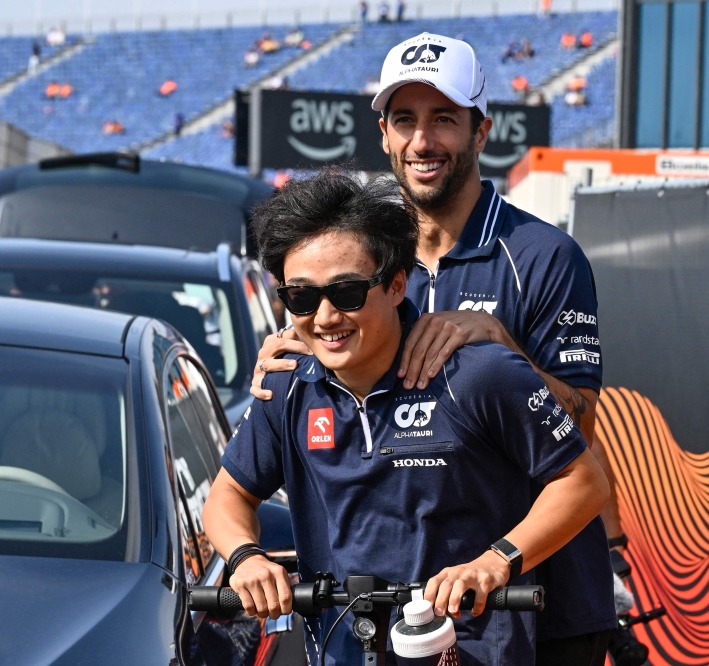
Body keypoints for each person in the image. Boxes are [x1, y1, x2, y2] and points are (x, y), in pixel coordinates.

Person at [252, 32, 625, 666]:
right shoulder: (357, 259)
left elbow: (581, 422)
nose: (423, 141)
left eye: (444, 120)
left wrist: (504, 344)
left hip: (543, 602)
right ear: (385, 135)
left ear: (481, 131)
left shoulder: (543, 256)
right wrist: (302, 339)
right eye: (406, 120)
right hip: (410, 609)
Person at [203, 171, 611, 666]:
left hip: (475, 652)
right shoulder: (286, 386)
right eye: (302, 298)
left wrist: (494, 562)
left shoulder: (480, 373)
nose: (326, 317)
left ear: (397, 284)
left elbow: (584, 480)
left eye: (348, 292)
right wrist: (245, 557)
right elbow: (227, 494)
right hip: (342, 650)